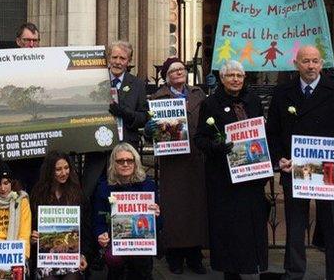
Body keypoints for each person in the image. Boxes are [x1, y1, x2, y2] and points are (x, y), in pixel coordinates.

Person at [266, 45, 334, 280]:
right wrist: (280, 159)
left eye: (315, 61)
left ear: (322, 64)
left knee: (332, 227)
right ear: (296, 63)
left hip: (329, 171)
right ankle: (294, 272)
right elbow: (273, 133)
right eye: (306, 61)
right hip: (294, 169)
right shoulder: (282, 92)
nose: (311, 66)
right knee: (295, 225)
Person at [194, 60, 268, 279]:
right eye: (231, 75)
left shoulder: (253, 100)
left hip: (251, 175)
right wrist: (217, 146)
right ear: (222, 78)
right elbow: (200, 138)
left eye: (239, 75)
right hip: (224, 178)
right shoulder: (211, 104)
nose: (235, 79)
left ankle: (252, 265)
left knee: (251, 224)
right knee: (229, 227)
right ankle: (230, 271)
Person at [144, 56, 208, 274]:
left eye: (181, 69)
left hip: (196, 159)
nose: (178, 73)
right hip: (173, 162)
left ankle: (194, 255)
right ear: (166, 76)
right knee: (175, 209)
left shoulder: (198, 94)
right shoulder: (158, 97)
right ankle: (175, 255)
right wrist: (151, 129)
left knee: (196, 207)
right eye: (173, 71)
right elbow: (150, 130)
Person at [82, 41, 149, 199]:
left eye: (123, 58)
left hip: (125, 151)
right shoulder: (96, 82)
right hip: (98, 151)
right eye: (115, 57)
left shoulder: (137, 84)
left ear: (129, 61)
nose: (118, 62)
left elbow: (143, 117)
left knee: (124, 196)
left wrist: (124, 113)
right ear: (108, 59)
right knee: (92, 195)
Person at [92, 143, 160, 280]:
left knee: (141, 261)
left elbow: (159, 226)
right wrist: (101, 234)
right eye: (120, 161)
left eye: (129, 160)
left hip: (141, 241)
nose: (125, 164)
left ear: (136, 163)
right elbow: (98, 220)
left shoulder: (148, 186)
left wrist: (156, 216)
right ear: (113, 164)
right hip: (115, 241)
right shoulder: (104, 188)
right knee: (113, 258)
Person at [30, 152, 92, 280]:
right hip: (46, 259)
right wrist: (32, 236)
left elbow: (86, 228)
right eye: (58, 169)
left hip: (72, 257)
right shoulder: (38, 193)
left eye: (66, 167)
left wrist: (84, 254)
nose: (64, 173)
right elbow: (31, 224)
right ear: (49, 171)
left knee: (72, 278)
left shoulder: (77, 193)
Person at [10, 22, 45, 192]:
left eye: (35, 41)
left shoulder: (48, 66)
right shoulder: (4, 66)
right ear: (18, 41)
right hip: (14, 147)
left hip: (41, 148)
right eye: (27, 40)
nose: (32, 45)